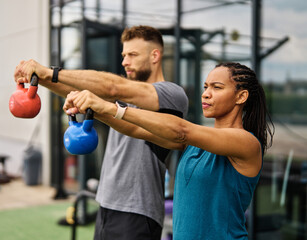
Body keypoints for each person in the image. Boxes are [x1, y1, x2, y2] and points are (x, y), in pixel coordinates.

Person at [14, 25, 189, 240]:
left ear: (155, 55)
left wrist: (51, 72)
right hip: (107, 203)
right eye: (124, 55)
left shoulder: (171, 94)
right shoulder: (127, 97)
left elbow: (112, 88)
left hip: (138, 210)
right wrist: (39, 79)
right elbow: (80, 92)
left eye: (132, 54)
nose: (125, 61)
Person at [63, 62, 274, 240]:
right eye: (205, 86)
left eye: (217, 87)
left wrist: (111, 107)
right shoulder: (197, 142)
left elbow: (182, 130)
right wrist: (94, 111)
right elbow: (135, 129)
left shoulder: (246, 143)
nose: (206, 94)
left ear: (241, 96)